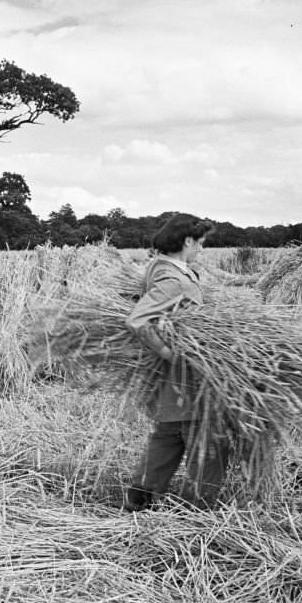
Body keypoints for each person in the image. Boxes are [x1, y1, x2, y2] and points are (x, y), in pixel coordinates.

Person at [122, 213, 231, 511]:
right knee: (210, 441)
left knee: (168, 437)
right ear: (186, 241)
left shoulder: (162, 269)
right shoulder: (173, 279)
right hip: (188, 377)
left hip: (174, 382)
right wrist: (173, 355)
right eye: (200, 243)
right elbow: (137, 321)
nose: (202, 250)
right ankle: (199, 511)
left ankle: (138, 503)